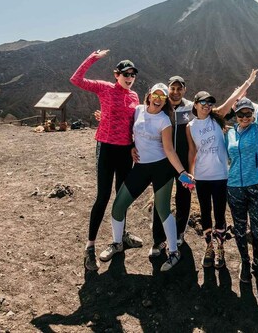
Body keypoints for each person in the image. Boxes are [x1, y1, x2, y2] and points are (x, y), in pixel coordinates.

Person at [106, 83, 194, 271]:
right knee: (118, 206)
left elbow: (169, 150)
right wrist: (130, 145)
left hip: (162, 168)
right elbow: (127, 129)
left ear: (164, 101)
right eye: (156, 95)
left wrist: (182, 173)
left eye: (162, 97)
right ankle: (117, 242)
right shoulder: (138, 111)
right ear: (149, 95)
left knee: (163, 210)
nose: (158, 99)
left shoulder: (164, 120)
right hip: (140, 168)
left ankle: (173, 252)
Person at [70, 50, 143, 272]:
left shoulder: (134, 96)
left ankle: (120, 236)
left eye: (132, 74)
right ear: (116, 74)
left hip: (124, 152)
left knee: (122, 197)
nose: (129, 78)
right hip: (106, 148)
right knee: (102, 197)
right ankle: (90, 247)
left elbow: (134, 124)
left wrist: (132, 146)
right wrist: (92, 58)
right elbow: (76, 80)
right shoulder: (104, 88)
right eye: (125, 74)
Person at [186, 71, 258, 269]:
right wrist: (189, 174)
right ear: (195, 104)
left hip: (220, 176)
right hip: (201, 177)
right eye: (204, 102)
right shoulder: (190, 126)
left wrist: (248, 81)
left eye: (210, 103)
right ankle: (208, 246)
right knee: (205, 213)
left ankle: (220, 248)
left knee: (219, 213)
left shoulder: (217, 118)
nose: (207, 106)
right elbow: (192, 151)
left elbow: (233, 98)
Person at [226, 57, 258, 284]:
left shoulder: (257, 129)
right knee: (238, 229)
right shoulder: (229, 133)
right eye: (241, 114)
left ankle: (257, 264)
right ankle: (244, 264)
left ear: (253, 115)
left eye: (248, 114)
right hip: (234, 187)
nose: (245, 117)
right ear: (236, 116)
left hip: (256, 186)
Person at [148, 75, 194, 257]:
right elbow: (141, 119)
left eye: (179, 88)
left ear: (184, 90)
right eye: (172, 89)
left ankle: (179, 232)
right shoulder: (161, 106)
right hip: (162, 161)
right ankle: (158, 240)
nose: (175, 92)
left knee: (184, 197)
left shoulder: (191, 107)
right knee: (161, 199)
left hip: (183, 163)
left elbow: (215, 112)